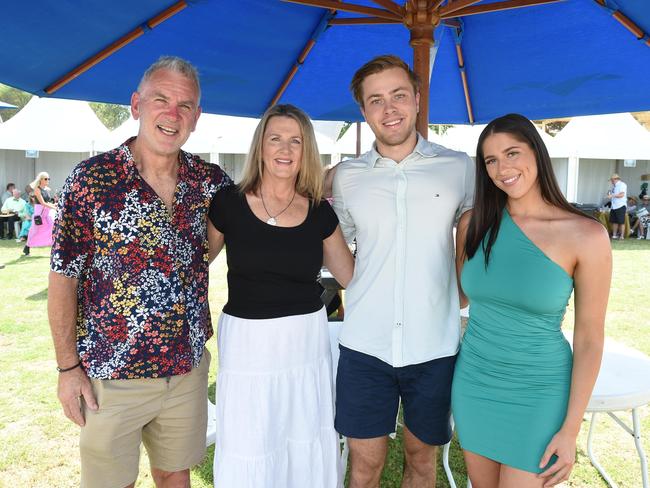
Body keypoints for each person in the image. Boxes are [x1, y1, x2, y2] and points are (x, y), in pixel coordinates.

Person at [48, 56, 232, 488]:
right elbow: (63, 279)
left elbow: (254, 209)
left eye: (185, 105)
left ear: (197, 117)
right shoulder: (91, 180)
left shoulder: (210, 181)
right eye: (161, 100)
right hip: (111, 375)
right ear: (136, 105)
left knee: (175, 476)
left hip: (185, 370)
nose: (173, 114)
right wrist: (67, 369)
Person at [331, 54, 474, 488]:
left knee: (421, 461)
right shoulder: (346, 177)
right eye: (375, 100)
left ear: (416, 98)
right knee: (365, 465)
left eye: (397, 95)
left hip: (434, 345)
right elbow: (335, 246)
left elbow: (474, 236)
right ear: (363, 111)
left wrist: (459, 292)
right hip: (364, 345)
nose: (388, 108)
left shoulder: (460, 167)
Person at [452, 114, 611, 488]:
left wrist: (570, 430)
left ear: (536, 153)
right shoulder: (472, 224)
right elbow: (458, 295)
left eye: (511, 153)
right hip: (475, 383)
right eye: (490, 160)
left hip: (540, 392)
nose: (502, 168)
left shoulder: (586, 236)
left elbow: (590, 339)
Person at [208, 104, 354, 488]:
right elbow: (191, 265)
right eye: (276, 139)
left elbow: (351, 276)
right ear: (260, 147)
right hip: (247, 343)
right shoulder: (227, 203)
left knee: (303, 432)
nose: (285, 149)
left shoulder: (320, 212)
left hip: (304, 341)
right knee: (251, 437)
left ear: (306, 151)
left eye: (296, 141)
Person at [22, 172, 56, 255]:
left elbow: (47, 202)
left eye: (48, 178)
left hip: (47, 212)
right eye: (45, 179)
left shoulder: (47, 189)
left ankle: (54, 247)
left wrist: (55, 204)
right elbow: (42, 203)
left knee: (53, 228)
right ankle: (27, 247)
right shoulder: (37, 189)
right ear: (40, 180)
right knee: (35, 230)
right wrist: (55, 207)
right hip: (39, 212)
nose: (47, 180)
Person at [606, 173, 627, 240]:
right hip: (614, 206)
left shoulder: (622, 185)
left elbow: (622, 195)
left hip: (620, 205)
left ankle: (621, 236)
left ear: (615, 179)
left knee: (621, 222)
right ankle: (614, 235)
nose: (611, 182)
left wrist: (612, 195)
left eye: (612, 180)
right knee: (614, 221)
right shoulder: (614, 186)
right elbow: (614, 195)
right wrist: (610, 194)